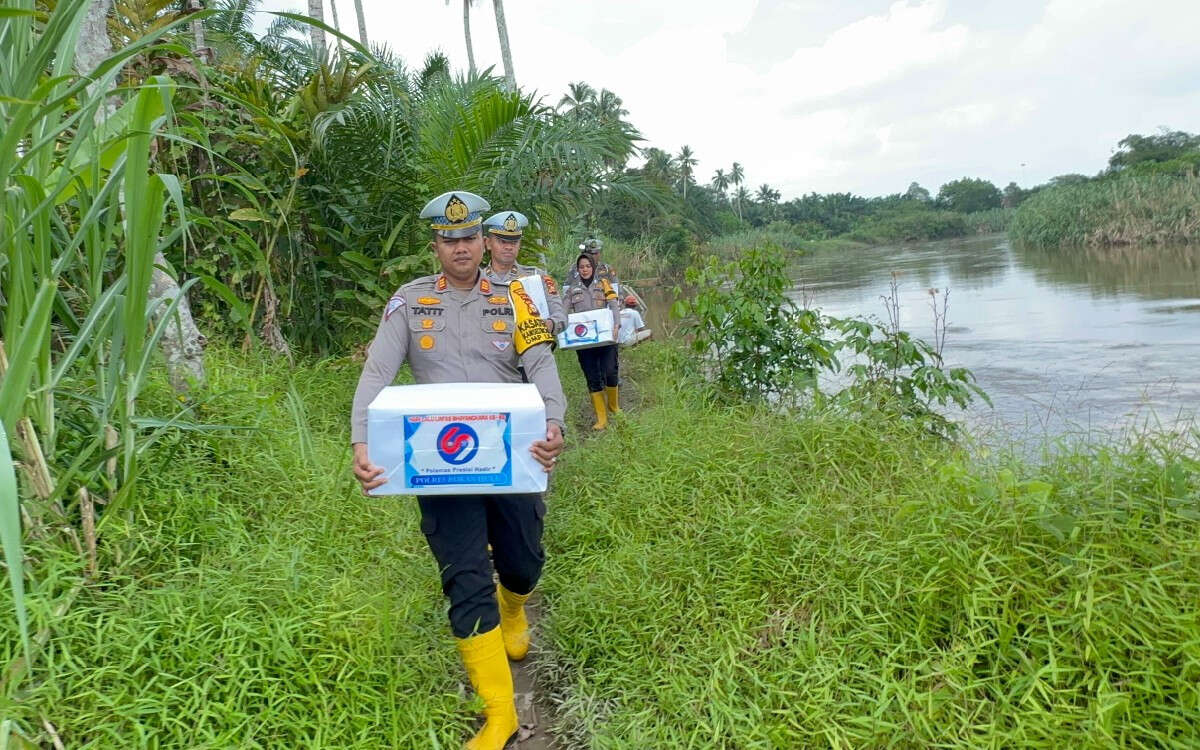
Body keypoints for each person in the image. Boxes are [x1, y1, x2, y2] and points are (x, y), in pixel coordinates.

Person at [350, 191, 565, 750]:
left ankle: (515, 607)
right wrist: (361, 443)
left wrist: (555, 422)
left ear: (484, 240)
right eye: (450, 240)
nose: (461, 248)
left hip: (512, 455)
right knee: (465, 578)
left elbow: (541, 362)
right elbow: (376, 373)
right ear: (436, 245)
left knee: (523, 558)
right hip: (439, 461)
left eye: (469, 237)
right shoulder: (410, 301)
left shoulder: (516, 296)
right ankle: (500, 715)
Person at [482, 210, 566, 335]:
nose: (509, 247)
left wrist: (549, 324)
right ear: (488, 243)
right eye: (502, 241)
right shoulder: (477, 280)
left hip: (530, 350)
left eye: (514, 242)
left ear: (519, 244)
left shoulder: (537, 276)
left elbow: (560, 315)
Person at [564, 253, 620, 430]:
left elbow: (613, 306)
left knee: (610, 371)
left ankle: (614, 407)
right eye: (581, 267)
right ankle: (601, 418)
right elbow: (563, 311)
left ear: (593, 268)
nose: (585, 269)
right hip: (584, 341)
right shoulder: (572, 290)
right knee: (592, 376)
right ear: (578, 270)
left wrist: (617, 325)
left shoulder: (604, 284)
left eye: (588, 266)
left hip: (606, 339)